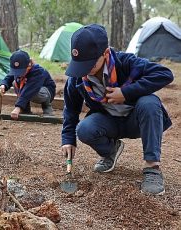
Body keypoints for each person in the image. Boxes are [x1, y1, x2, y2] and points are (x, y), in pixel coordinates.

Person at [61, 24, 173, 195]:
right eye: (80, 64)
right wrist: (68, 139)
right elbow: (70, 110)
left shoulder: (126, 63)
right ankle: (111, 150)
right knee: (84, 129)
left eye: (89, 64)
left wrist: (126, 93)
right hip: (109, 122)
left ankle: (152, 168)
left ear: (105, 54)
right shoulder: (77, 80)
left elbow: (165, 74)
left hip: (137, 120)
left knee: (150, 102)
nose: (84, 70)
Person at [0, 49, 56, 120]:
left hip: (46, 92)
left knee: (31, 91)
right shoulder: (17, 71)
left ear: (29, 65)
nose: (18, 74)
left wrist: (18, 107)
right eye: (16, 71)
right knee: (14, 82)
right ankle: (26, 109)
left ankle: (47, 107)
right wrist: (3, 85)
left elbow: (29, 90)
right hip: (28, 90)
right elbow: (10, 77)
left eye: (21, 71)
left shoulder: (38, 72)